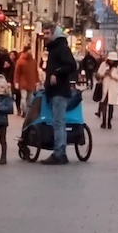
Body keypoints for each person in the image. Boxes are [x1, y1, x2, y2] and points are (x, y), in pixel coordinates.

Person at [43, 26, 77, 164]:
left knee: (58, 122)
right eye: (44, 33)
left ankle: (59, 153)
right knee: (58, 122)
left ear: (54, 34)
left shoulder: (61, 48)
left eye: (47, 33)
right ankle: (59, 151)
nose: (45, 36)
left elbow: (71, 65)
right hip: (53, 91)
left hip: (59, 91)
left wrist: (57, 73)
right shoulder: (53, 48)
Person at [96, 54, 118, 131]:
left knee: (111, 105)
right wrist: (104, 74)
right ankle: (104, 121)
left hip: (113, 87)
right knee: (104, 104)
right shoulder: (104, 64)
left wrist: (112, 75)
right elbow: (99, 73)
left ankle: (109, 121)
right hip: (104, 87)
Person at [13, 47, 40, 115]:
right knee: (25, 98)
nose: (30, 52)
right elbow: (17, 72)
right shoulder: (21, 61)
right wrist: (16, 82)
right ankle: (25, 110)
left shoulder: (33, 61)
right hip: (25, 83)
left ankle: (26, 111)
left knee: (29, 98)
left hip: (29, 82)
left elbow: (35, 72)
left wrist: (37, 81)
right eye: (29, 51)